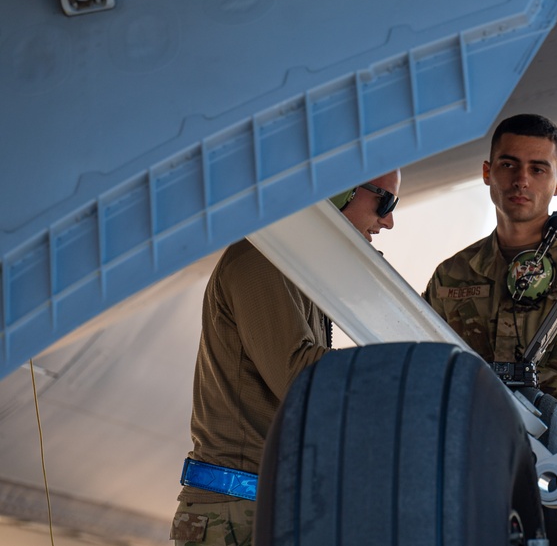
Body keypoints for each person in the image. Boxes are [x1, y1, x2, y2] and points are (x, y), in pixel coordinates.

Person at [170, 170, 401, 546]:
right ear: (341, 188)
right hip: (234, 517)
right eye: (384, 202)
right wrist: (398, 372)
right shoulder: (263, 259)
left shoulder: (298, 268)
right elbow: (298, 377)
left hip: (263, 511)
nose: (388, 221)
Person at [423, 114, 557, 435]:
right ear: (487, 172)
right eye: (508, 165)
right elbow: (429, 375)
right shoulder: (450, 276)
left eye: (538, 169)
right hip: (477, 451)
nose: (522, 179)